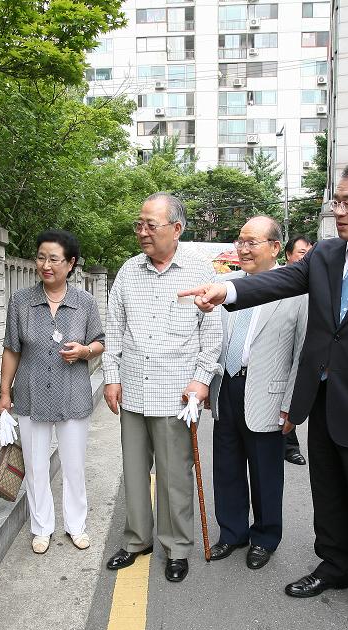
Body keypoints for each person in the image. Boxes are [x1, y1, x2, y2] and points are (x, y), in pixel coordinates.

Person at [183, 158, 348, 630]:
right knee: (327, 496)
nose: (339, 211)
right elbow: (279, 281)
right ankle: (333, 566)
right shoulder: (325, 255)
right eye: (336, 201)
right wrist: (226, 289)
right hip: (321, 403)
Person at [102, 192, 223, 584]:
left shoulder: (201, 271)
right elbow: (114, 329)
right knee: (134, 471)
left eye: (150, 225)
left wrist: (201, 380)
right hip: (134, 389)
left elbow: (213, 333)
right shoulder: (128, 271)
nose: (142, 232)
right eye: (139, 225)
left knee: (175, 475)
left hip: (177, 394)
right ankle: (138, 539)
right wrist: (111, 377)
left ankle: (176, 546)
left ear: (176, 228)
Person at [207, 216, 307, 570]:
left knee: (265, 471)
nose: (243, 249)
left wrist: (291, 406)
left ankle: (265, 537)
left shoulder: (297, 292)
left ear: (275, 247)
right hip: (229, 386)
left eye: (252, 242)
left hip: (269, 393)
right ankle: (232, 532)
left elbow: (301, 352)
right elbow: (214, 342)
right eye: (240, 241)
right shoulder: (227, 285)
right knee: (227, 465)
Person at [0, 230, 105, 555]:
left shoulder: (84, 302)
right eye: (41, 257)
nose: (46, 265)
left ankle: (76, 525)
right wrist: (5, 393)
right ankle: (41, 527)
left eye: (54, 259)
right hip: (30, 393)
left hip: (72, 393)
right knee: (35, 466)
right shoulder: (21, 302)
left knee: (73, 466)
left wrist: (85, 352)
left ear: (70, 263)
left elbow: (101, 340)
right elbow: (11, 349)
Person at [282, 235, 314, 466]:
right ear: (288, 255)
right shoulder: (279, 280)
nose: (308, 258)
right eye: (303, 253)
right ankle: (289, 444)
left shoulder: (316, 279)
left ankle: (291, 444)